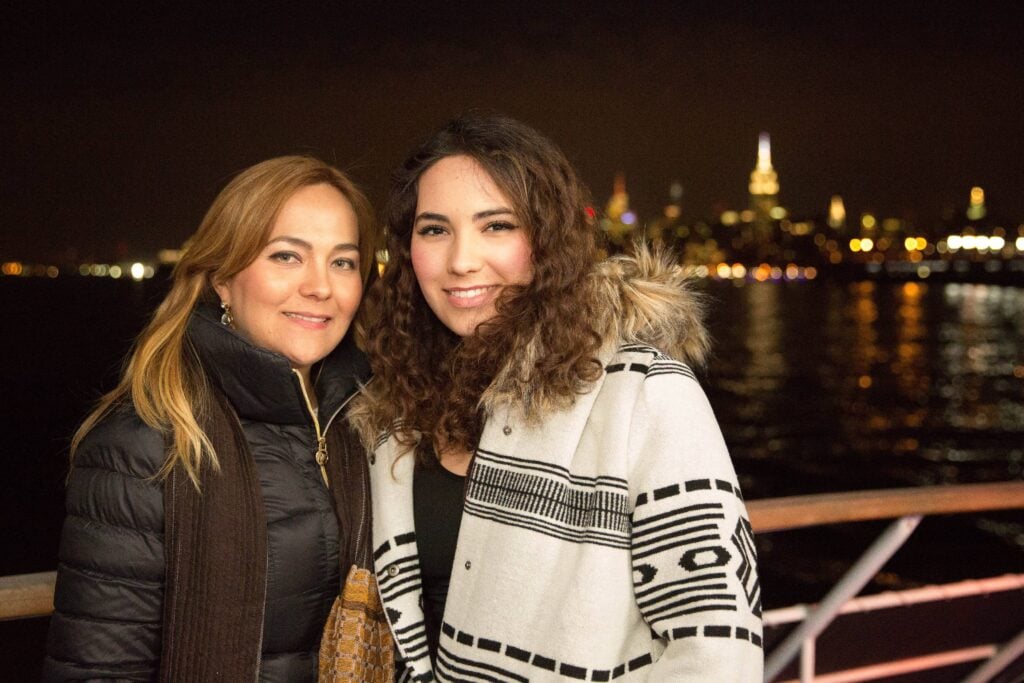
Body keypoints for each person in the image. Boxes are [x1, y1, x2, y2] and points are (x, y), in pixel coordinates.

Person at [351, 115, 763, 681]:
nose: (461, 260)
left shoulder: (640, 391)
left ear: (547, 237)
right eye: (434, 229)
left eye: (496, 225)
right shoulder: (394, 404)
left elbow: (718, 655)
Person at [43, 156, 387, 681]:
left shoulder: (364, 419)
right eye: (286, 256)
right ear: (223, 279)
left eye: (343, 262)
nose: (321, 286)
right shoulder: (147, 443)